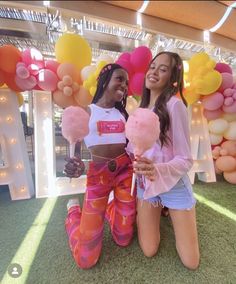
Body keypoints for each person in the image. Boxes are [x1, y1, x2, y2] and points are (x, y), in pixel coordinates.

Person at [131, 51, 200, 270]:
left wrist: (157, 169)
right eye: (152, 66)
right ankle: (160, 212)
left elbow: (186, 159)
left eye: (163, 69)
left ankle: (173, 211)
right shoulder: (140, 109)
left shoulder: (175, 106)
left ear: (172, 78)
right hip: (146, 185)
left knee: (191, 261)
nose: (154, 72)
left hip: (172, 185)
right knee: (149, 249)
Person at [64, 63, 136, 269]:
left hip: (125, 172)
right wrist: (74, 165)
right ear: (104, 81)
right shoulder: (86, 111)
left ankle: (110, 208)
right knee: (86, 259)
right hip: (98, 176)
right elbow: (74, 155)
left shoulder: (124, 114)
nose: (124, 85)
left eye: (127, 82)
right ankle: (73, 212)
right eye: (119, 79)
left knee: (124, 239)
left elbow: (132, 146)